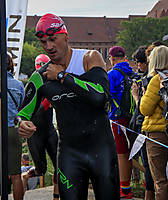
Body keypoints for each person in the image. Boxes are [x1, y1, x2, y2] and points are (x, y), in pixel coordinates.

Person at [15, 13, 120, 200]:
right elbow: (23, 112)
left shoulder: (90, 58)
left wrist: (63, 77)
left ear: (66, 36)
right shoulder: (41, 76)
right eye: (43, 42)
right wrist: (22, 124)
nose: (48, 47)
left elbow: (101, 98)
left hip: (102, 151)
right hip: (70, 155)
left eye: (53, 39)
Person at [0, 52, 25, 200]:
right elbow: (22, 107)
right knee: (16, 175)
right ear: (11, 65)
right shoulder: (18, 85)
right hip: (13, 130)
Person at [27, 53, 59, 199]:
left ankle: (56, 195)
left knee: (60, 165)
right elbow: (32, 109)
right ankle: (24, 177)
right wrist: (47, 103)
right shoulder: (33, 84)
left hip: (49, 130)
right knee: (41, 170)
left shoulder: (53, 83)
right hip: (35, 133)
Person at [107, 46, 137, 199]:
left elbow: (105, 97)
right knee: (135, 152)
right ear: (124, 57)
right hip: (135, 118)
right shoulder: (134, 73)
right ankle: (146, 186)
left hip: (118, 120)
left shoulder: (111, 74)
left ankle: (125, 189)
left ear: (112, 59)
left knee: (122, 154)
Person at [140, 45, 168, 200]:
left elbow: (145, 109)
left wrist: (141, 97)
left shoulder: (157, 80)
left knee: (160, 180)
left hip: (157, 134)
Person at [131, 46, 155, 200]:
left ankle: (149, 195)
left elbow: (144, 108)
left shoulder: (150, 81)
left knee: (149, 165)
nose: (138, 66)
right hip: (151, 127)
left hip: (148, 127)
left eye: (139, 62)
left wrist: (136, 95)